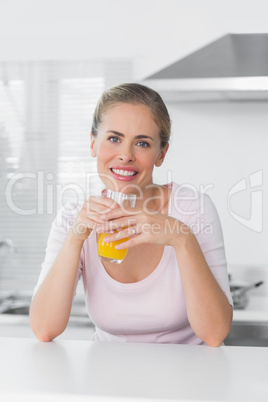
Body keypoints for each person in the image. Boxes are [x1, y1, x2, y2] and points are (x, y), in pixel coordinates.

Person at [30, 83, 233, 346]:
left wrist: (182, 240)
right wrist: (75, 239)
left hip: (189, 378)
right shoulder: (75, 218)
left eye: (142, 143)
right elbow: (44, 329)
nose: (126, 155)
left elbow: (215, 334)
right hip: (109, 378)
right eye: (114, 138)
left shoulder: (192, 207)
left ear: (161, 154)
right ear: (93, 143)